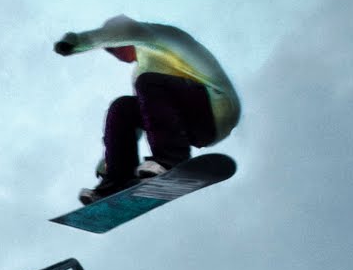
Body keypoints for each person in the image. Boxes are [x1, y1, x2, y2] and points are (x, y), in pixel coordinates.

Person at [54, 16, 240, 204]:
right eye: (109, 51)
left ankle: (171, 160)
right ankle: (116, 183)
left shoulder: (153, 35)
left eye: (113, 47)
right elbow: (149, 115)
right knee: (123, 107)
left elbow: (121, 33)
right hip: (189, 123)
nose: (115, 54)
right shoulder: (143, 71)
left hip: (216, 106)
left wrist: (76, 41)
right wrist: (109, 163)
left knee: (148, 82)